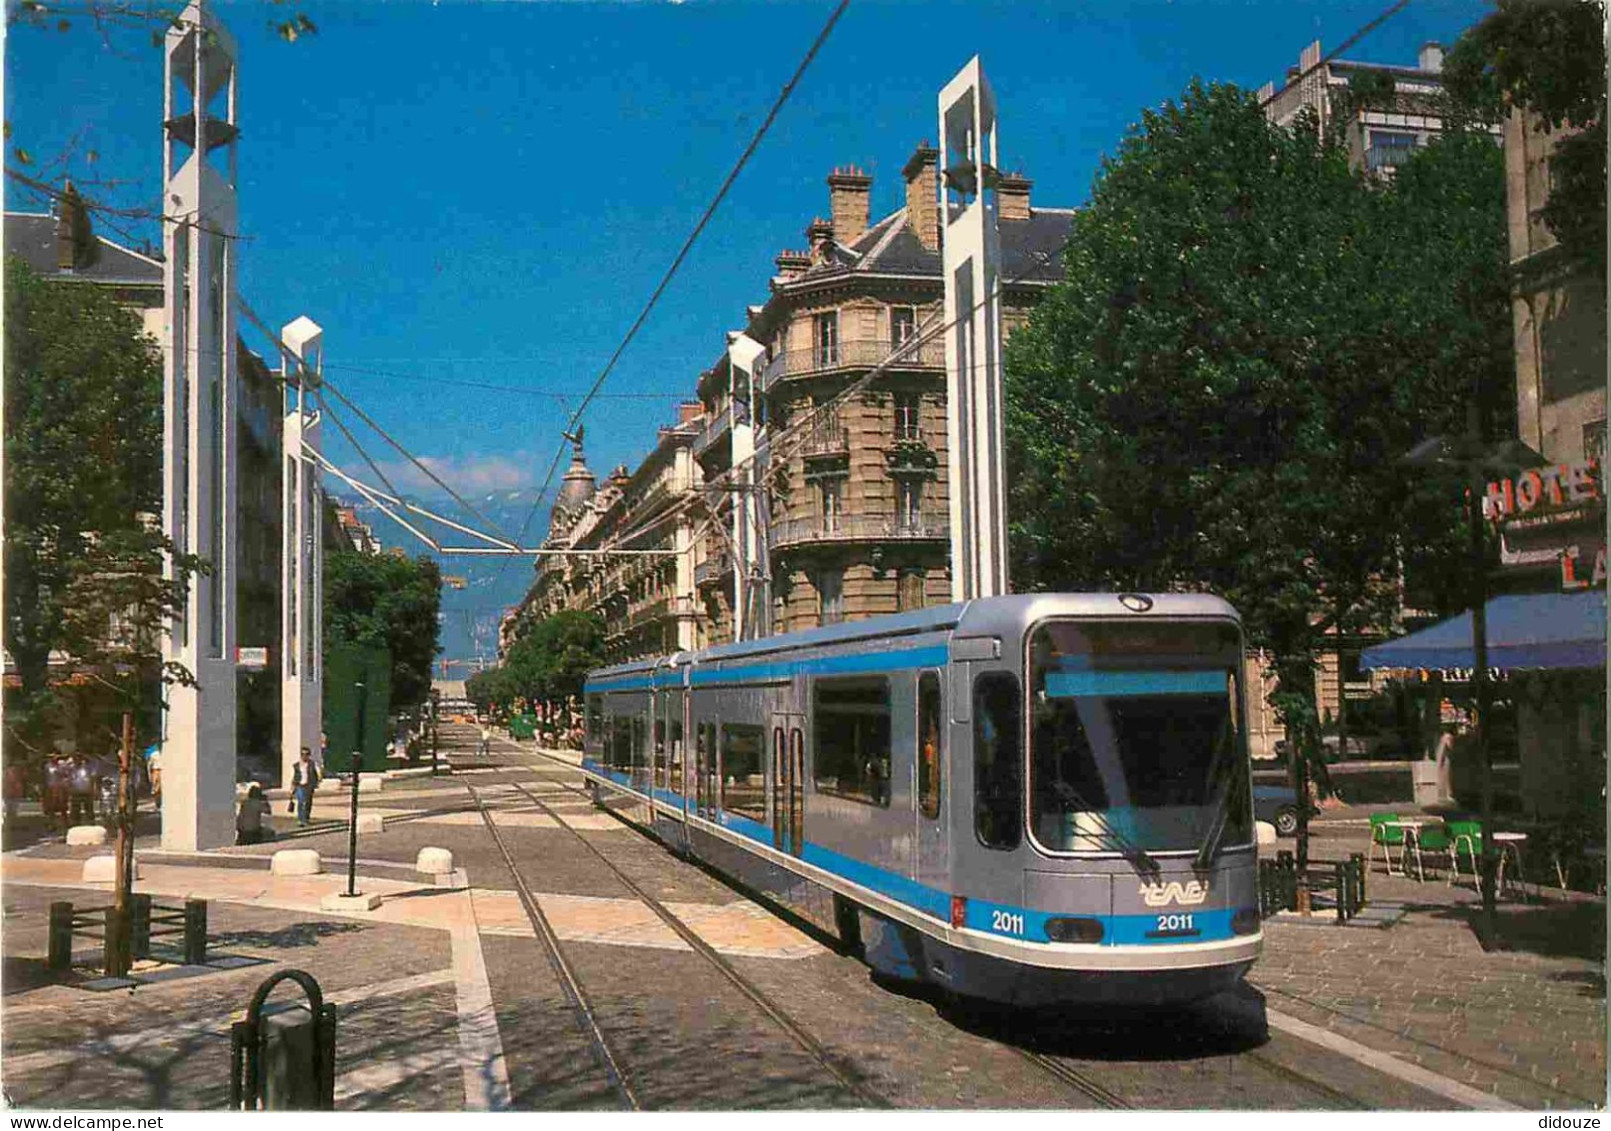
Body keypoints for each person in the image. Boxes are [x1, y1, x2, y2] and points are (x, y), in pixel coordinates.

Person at [290, 746, 319, 826]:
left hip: (309, 785)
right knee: (300, 802)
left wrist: (315, 784)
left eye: (306, 754)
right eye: (302, 754)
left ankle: (306, 818)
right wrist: (292, 786)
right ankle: (300, 819)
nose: (304, 756)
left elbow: (316, 774)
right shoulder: (296, 765)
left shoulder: (312, 764)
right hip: (299, 785)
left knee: (308, 802)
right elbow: (295, 776)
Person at [67, 753, 97, 827]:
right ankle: (75, 824)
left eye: (78, 758)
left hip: (86, 791)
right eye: (75, 758)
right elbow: (68, 779)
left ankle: (91, 823)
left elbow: (93, 778)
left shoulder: (88, 767)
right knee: (75, 809)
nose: (76, 760)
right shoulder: (71, 768)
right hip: (75, 792)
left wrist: (94, 789)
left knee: (89, 808)